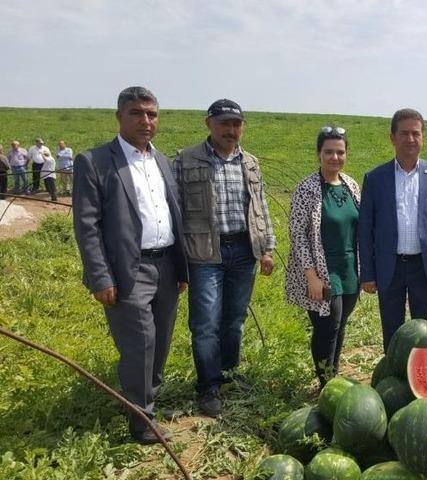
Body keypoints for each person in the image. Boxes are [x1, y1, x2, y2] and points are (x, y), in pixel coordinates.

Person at [72, 86, 188, 444]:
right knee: (140, 342)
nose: (146, 121)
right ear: (119, 116)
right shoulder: (95, 162)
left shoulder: (161, 160)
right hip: (129, 269)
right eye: (137, 113)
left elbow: (174, 213)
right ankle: (142, 421)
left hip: (166, 264)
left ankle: (146, 400)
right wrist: (99, 276)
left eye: (152, 114)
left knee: (162, 341)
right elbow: (87, 226)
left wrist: (181, 271)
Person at [173, 98, 275, 417]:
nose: (231, 130)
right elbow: (174, 210)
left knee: (234, 320)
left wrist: (267, 248)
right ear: (209, 124)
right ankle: (208, 387)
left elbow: (260, 207)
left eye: (236, 124)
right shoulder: (186, 160)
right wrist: (176, 261)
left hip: (243, 250)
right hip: (205, 252)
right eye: (224, 124)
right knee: (205, 323)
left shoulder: (250, 162)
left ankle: (229, 375)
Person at [358, 108, 427, 351]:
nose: (410, 139)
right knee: (392, 331)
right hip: (389, 267)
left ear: (422, 137)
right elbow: (366, 228)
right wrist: (367, 273)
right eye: (404, 133)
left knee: (426, 331)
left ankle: (426, 380)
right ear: (392, 137)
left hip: (425, 266)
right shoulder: (375, 178)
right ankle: (392, 380)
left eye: (415, 133)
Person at [286, 126, 361, 386]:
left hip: (349, 269)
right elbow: (297, 234)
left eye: (340, 152)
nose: (335, 158)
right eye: (329, 152)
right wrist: (311, 276)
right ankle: (326, 384)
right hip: (321, 271)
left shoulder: (351, 185)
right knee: (327, 327)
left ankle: (334, 376)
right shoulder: (306, 188)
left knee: (339, 326)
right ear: (319, 153)